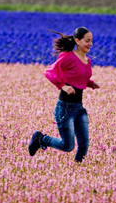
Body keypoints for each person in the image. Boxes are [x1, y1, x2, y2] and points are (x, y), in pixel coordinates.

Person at [28, 27, 100, 163]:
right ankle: (41, 139)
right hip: (65, 108)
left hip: (79, 107)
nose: (90, 44)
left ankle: (79, 171)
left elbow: (78, 77)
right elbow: (49, 72)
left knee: (84, 144)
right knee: (68, 146)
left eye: (91, 41)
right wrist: (62, 86)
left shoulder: (87, 61)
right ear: (77, 41)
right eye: (87, 41)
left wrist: (90, 83)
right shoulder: (68, 57)